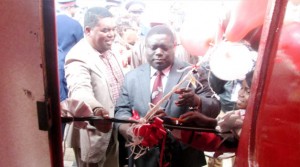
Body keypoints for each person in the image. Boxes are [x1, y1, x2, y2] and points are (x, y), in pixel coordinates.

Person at [115, 25, 221, 167]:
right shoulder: (132, 77)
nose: (158, 52)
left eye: (164, 48)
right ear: (145, 48)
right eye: (153, 48)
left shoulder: (191, 73)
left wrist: (197, 101)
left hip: (183, 156)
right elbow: (121, 110)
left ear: (174, 47)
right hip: (143, 156)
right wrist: (129, 130)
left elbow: (214, 108)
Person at [64, 7, 124, 167]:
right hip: (94, 131)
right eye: (105, 30)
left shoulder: (112, 50)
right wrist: (97, 109)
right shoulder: (78, 56)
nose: (112, 34)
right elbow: (79, 90)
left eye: (114, 29)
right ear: (88, 30)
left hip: (114, 129)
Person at [174, 70, 255, 154]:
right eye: (241, 87)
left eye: (248, 91)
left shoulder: (242, 122)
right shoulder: (238, 115)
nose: (240, 93)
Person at [56, 0, 84, 137]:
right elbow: (82, 49)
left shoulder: (50, 21)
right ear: (71, 6)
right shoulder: (75, 25)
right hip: (69, 68)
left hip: (52, 67)